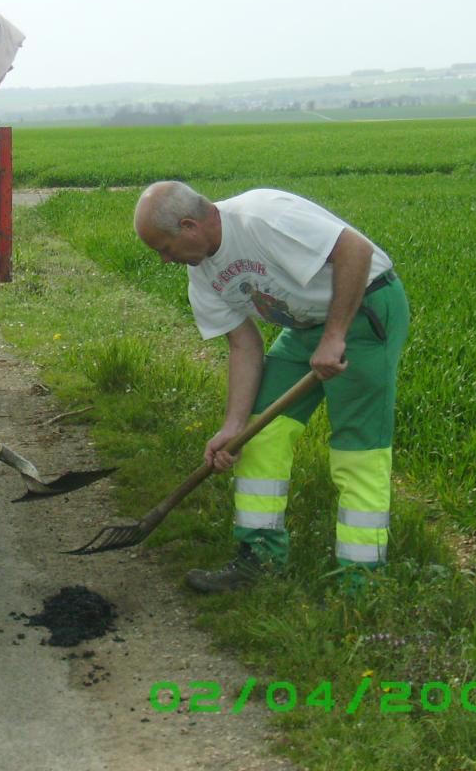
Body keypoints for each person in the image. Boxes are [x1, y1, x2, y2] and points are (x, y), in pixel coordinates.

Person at [133, 181, 409, 592]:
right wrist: (232, 426)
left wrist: (335, 336)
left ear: (189, 225)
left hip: (363, 311)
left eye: (165, 248)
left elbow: (356, 249)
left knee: (357, 449)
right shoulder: (202, 274)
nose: (163, 259)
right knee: (256, 435)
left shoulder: (263, 216)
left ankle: (361, 582)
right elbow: (244, 345)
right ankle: (258, 559)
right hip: (302, 327)